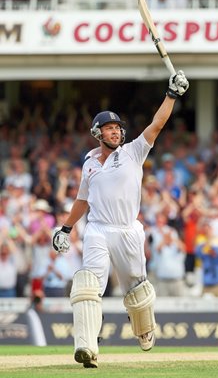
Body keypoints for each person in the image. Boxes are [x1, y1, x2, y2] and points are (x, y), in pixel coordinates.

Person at [52, 71, 189, 368]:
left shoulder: (133, 152)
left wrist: (172, 95)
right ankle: (87, 347)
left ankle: (143, 329)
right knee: (87, 283)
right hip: (97, 230)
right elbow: (82, 200)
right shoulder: (89, 163)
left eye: (118, 128)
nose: (116, 132)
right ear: (97, 133)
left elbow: (157, 124)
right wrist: (66, 227)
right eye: (109, 128)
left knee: (137, 289)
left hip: (127, 230)